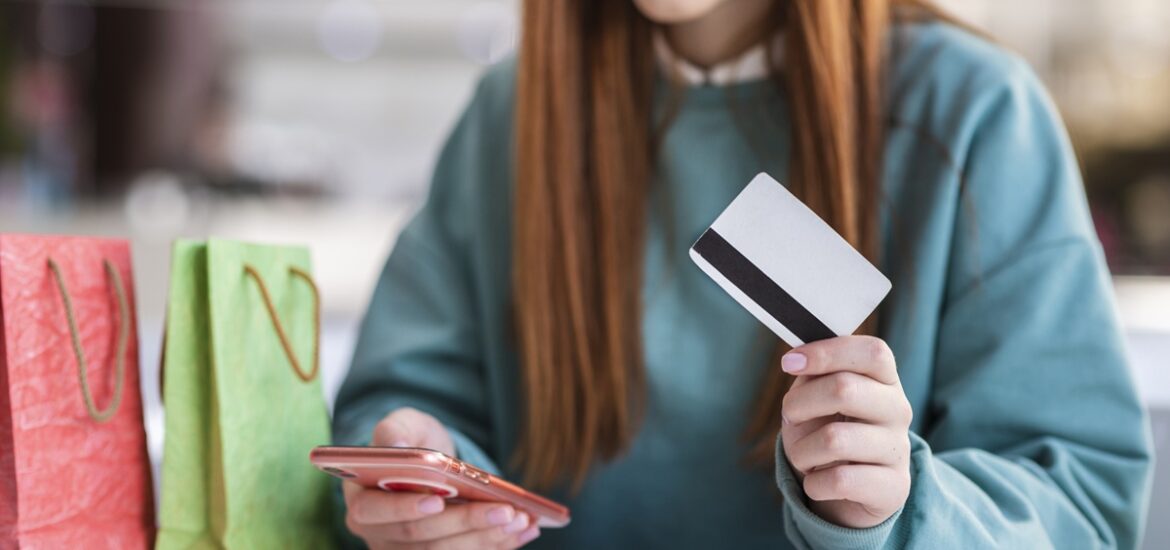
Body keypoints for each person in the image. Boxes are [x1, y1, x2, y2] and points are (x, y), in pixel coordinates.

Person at [332, 0, 1154, 548]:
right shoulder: (511, 117)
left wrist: (903, 511)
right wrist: (422, 479)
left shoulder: (974, 115)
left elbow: (1080, 506)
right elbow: (400, 405)